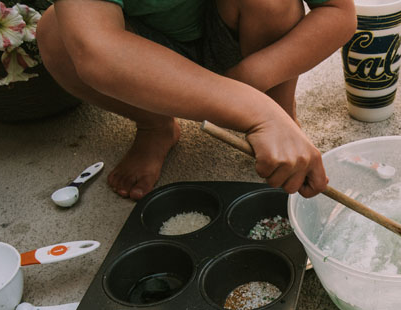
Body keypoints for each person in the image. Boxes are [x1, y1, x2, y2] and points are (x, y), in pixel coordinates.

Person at [36, 0, 357, 200]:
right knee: (56, 32)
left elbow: (338, 12)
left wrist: (252, 84)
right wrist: (254, 112)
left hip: (240, 38)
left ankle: (282, 111)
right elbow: (97, 52)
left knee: (272, 3)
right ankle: (155, 125)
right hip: (145, 56)